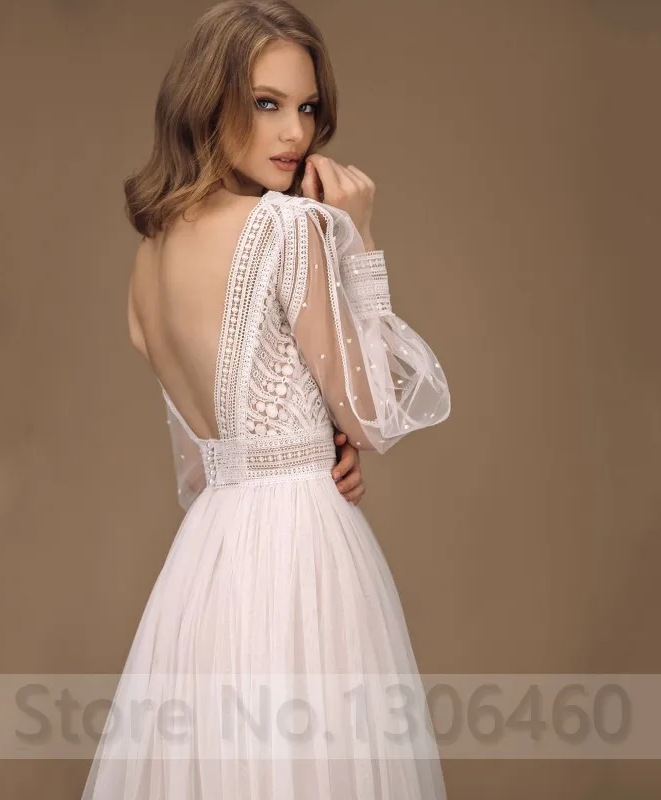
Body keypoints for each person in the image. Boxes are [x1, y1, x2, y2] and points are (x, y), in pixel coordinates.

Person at [81, 0, 451, 797]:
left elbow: (199, 468)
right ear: (206, 101)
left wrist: (315, 446)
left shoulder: (148, 256)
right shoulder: (288, 228)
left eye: (308, 108)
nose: (295, 133)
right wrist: (361, 238)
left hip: (209, 561)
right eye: (266, 103)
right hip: (298, 551)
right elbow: (375, 415)